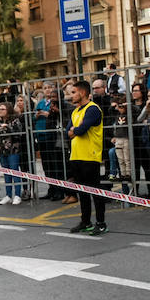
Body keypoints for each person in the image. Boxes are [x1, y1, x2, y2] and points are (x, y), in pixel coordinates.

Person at [66, 80, 108, 235]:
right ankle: (86, 221)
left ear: (82, 93)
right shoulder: (75, 111)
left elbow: (82, 130)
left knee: (95, 191)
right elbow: (67, 132)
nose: (72, 96)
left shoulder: (93, 109)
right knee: (82, 192)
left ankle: (101, 222)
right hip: (76, 156)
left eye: (73, 92)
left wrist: (74, 130)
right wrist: (73, 130)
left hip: (90, 156)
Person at [0, 102, 27, 203]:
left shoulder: (15, 120)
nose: (0, 111)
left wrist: (7, 127)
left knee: (14, 171)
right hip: (2, 149)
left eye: (2, 109)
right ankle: (8, 195)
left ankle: (17, 195)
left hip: (13, 149)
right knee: (6, 172)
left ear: (8, 110)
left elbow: (19, 134)